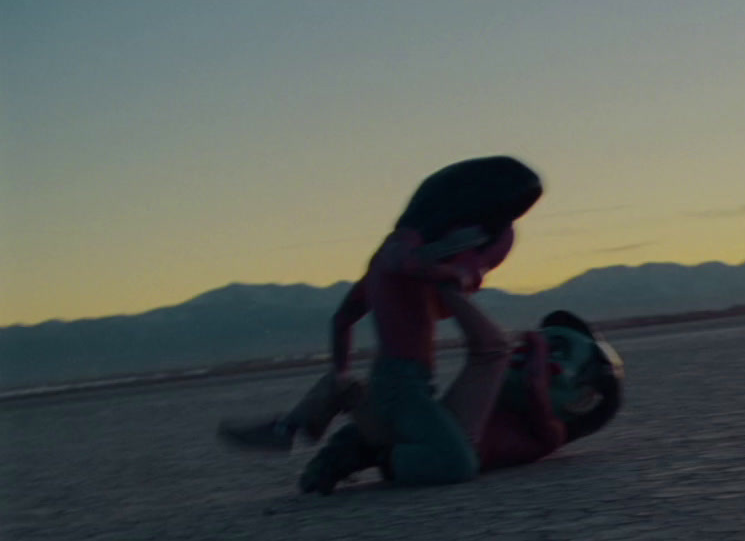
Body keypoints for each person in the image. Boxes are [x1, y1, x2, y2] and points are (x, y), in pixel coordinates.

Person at [219, 156, 544, 489]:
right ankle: (377, 450)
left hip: (402, 383)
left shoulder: (389, 265)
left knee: (454, 431)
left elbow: (342, 319)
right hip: (401, 385)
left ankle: (343, 399)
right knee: (456, 463)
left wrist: (340, 373)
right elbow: (399, 260)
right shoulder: (404, 252)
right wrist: (449, 272)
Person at [219, 308, 625, 492]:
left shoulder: (548, 433)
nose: (537, 356)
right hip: (416, 442)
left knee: (380, 437)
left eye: (559, 354)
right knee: (345, 386)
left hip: (436, 457)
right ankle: (290, 429)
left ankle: (362, 450)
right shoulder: (491, 400)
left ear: (581, 400)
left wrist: (534, 344)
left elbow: (535, 384)